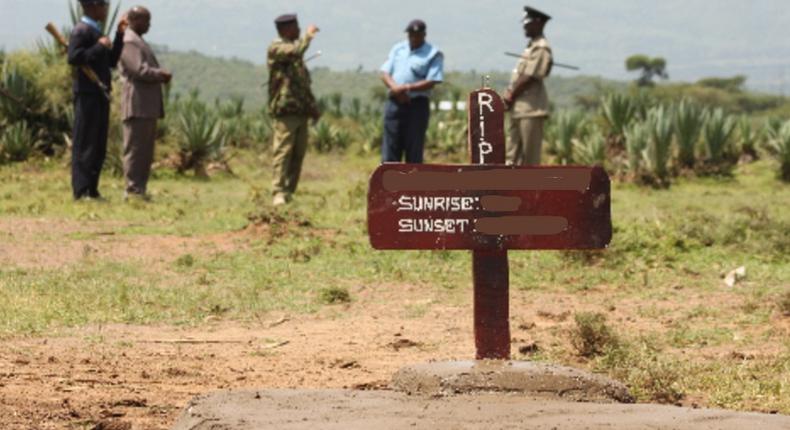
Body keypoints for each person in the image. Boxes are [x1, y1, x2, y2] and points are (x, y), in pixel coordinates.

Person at [67, 0, 127, 200]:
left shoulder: (98, 32)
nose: (105, 9)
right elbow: (74, 58)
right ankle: (81, 189)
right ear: (92, 7)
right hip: (86, 94)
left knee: (98, 143)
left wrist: (118, 36)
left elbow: (111, 61)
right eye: (102, 5)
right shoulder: (81, 30)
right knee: (84, 142)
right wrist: (99, 47)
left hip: (100, 93)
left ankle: (93, 189)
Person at [118, 5, 172, 201]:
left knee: (144, 150)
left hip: (146, 105)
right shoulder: (130, 41)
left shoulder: (137, 40)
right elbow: (138, 70)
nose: (149, 25)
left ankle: (139, 189)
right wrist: (160, 74)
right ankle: (133, 190)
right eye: (146, 20)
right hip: (137, 103)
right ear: (135, 20)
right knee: (135, 148)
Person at [267, 14, 321, 207]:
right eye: (295, 27)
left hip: (301, 111)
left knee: (298, 153)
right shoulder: (277, 48)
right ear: (285, 29)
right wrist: (308, 36)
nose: (298, 30)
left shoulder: (295, 55)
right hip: (285, 110)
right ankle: (278, 192)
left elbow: (303, 84)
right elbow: (296, 51)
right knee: (283, 152)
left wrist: (313, 107)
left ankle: (289, 191)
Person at [379, 19, 444, 164]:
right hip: (395, 103)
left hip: (416, 105)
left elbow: (432, 80)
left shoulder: (433, 53)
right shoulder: (398, 49)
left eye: (417, 35)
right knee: (390, 147)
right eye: (411, 34)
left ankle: (412, 185)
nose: (414, 38)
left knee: (413, 148)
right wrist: (396, 89)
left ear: (424, 35)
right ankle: (390, 184)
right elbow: (385, 73)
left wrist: (406, 88)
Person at [503, 6, 553, 166]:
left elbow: (529, 77)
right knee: (511, 157)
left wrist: (511, 94)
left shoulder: (541, 47)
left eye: (528, 23)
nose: (524, 26)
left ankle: (531, 191)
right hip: (518, 109)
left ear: (538, 23)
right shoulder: (531, 47)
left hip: (531, 110)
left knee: (530, 160)